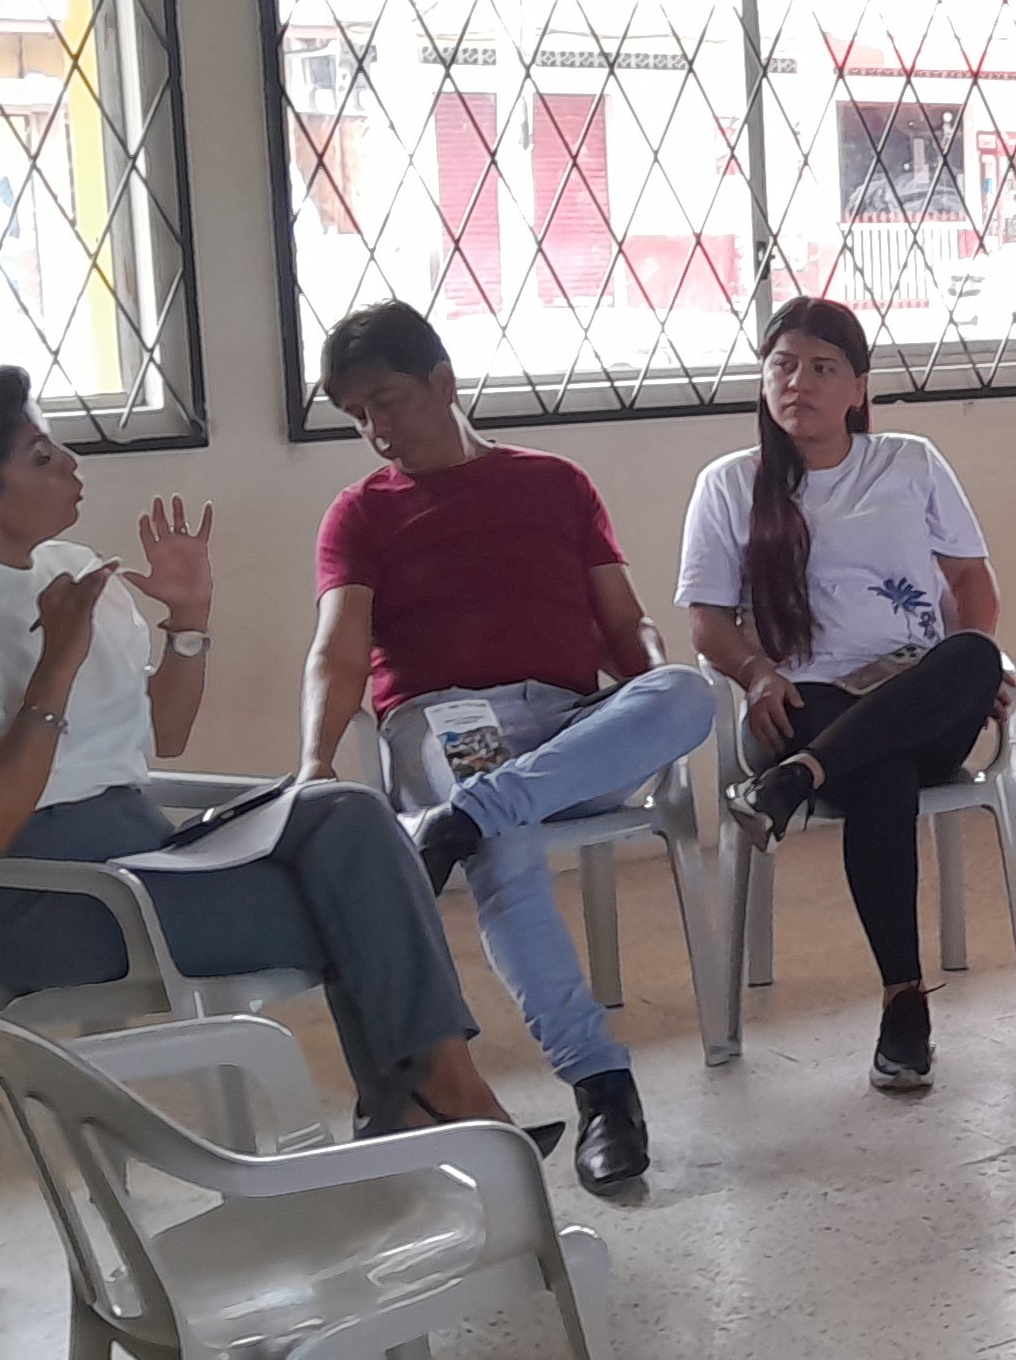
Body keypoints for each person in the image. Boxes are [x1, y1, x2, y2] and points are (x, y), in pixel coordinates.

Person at [0, 369, 529, 1143]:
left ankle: (428, 1096)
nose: (71, 463)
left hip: (146, 857)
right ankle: (438, 1096)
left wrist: (188, 618)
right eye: (40, 457)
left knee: (348, 814)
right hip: (52, 902)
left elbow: (161, 732)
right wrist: (55, 666)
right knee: (365, 900)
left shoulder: (66, 569)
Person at [300, 302, 715, 1188]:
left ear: (444, 383)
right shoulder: (361, 514)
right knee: (507, 846)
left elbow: (625, 622)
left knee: (688, 691)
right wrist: (315, 766)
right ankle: (603, 1087)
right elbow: (338, 652)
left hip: (566, 730)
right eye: (356, 415)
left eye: (386, 401)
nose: (375, 430)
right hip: (450, 725)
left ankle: (468, 817)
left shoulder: (556, 483)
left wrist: (645, 687)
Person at [675, 297, 1011, 1096]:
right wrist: (757, 673)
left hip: (915, 692)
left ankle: (794, 783)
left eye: (823, 368)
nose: (800, 383)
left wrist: (971, 675)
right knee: (880, 776)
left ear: (859, 388)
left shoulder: (910, 462)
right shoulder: (729, 484)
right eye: (784, 366)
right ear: (764, 379)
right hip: (798, 703)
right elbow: (707, 623)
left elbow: (971, 582)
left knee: (971, 655)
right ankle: (905, 1004)